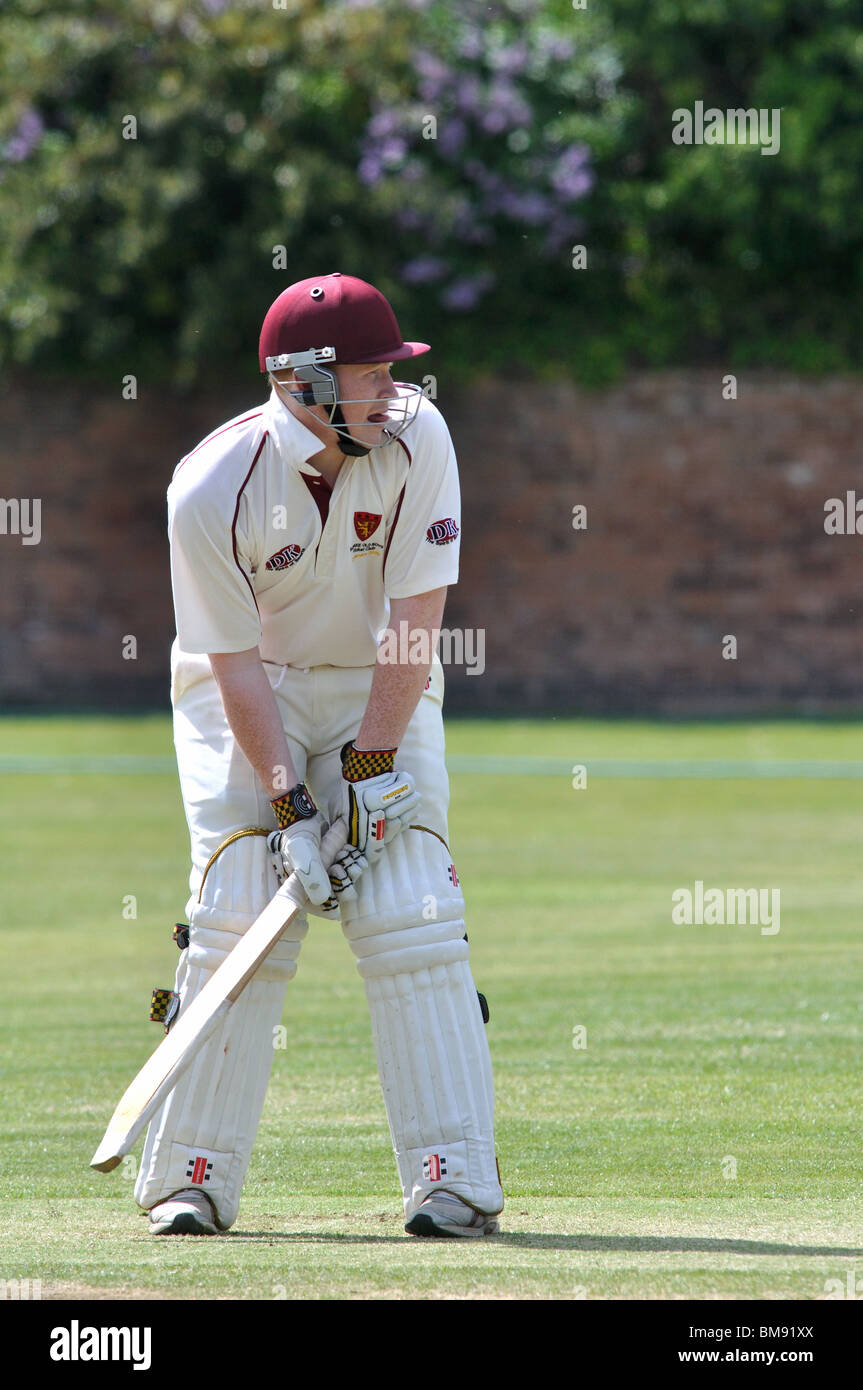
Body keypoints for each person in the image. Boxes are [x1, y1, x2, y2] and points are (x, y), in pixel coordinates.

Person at [134, 272, 504, 1238]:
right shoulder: (210, 486)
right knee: (239, 905)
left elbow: (417, 622)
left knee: (411, 897)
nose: (393, 390)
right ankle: (191, 1178)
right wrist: (294, 809)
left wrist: (373, 773)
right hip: (248, 688)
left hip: (379, 677)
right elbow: (232, 664)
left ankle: (451, 1177)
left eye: (392, 370)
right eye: (373, 374)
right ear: (304, 383)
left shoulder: (419, 436)